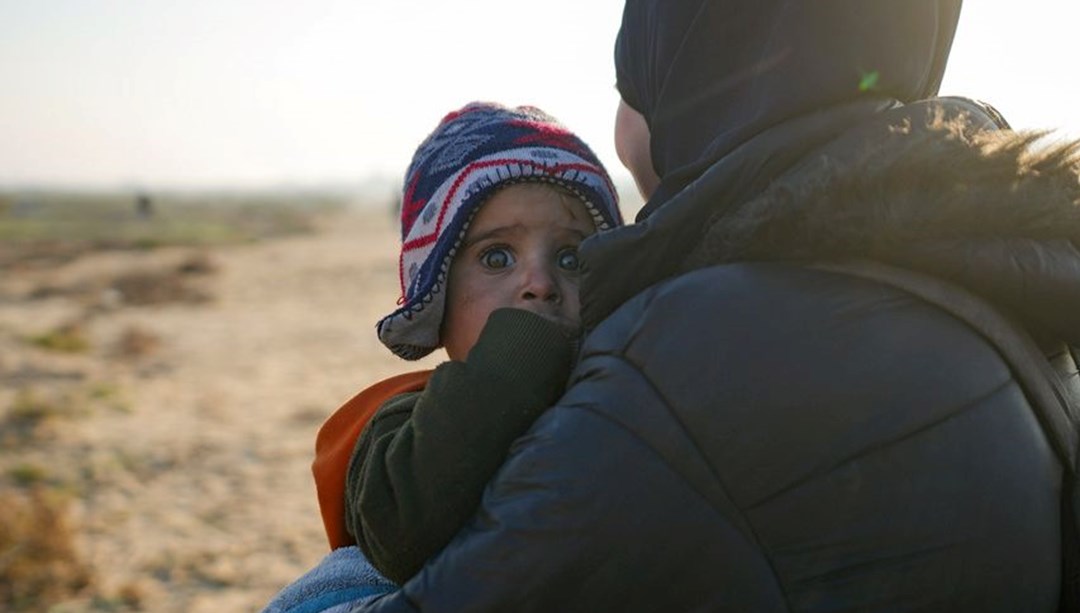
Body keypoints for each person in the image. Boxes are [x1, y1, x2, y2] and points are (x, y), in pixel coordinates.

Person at [334, 1, 1079, 611]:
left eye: (636, 86)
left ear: (699, 78)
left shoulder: (684, 355)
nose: (539, 284)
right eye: (495, 256)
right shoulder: (982, 261)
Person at [309, 102, 623, 586]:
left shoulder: (628, 392)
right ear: (439, 299)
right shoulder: (400, 423)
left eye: (570, 257)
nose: (540, 283)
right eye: (497, 257)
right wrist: (511, 366)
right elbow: (402, 537)